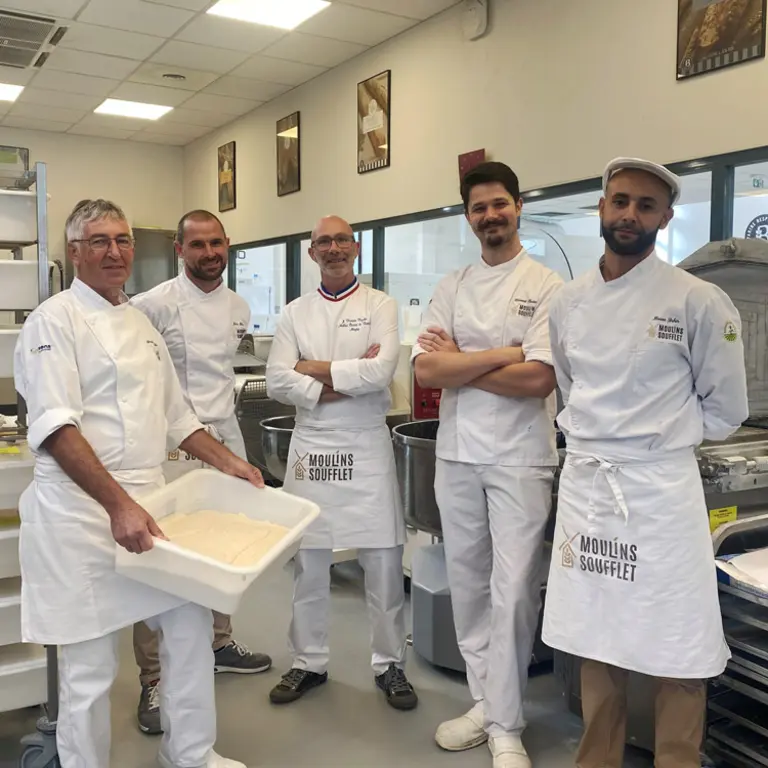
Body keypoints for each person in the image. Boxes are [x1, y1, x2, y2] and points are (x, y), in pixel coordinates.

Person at [14, 199, 264, 768]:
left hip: (150, 500)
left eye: (122, 240)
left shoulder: (142, 324)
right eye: (98, 241)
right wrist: (119, 505)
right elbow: (55, 426)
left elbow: (179, 419)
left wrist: (231, 463)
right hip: (81, 513)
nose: (114, 251)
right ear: (74, 252)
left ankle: (192, 755)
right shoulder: (52, 321)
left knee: (188, 629)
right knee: (90, 668)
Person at [542, 158, 749, 768]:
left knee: (678, 639)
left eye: (646, 206)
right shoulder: (569, 302)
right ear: (602, 208)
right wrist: (609, 445)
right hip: (589, 489)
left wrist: (655, 446)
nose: (630, 213)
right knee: (594, 634)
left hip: (661, 495)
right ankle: (596, 759)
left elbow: (726, 407)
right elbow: (570, 385)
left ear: (665, 218)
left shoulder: (697, 299)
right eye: (621, 201)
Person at [412, 161, 562, 768]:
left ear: (518, 206)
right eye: (479, 208)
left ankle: (506, 723)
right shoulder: (452, 284)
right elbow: (426, 370)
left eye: (500, 204)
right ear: (468, 216)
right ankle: (488, 703)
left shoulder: (550, 286)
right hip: (457, 453)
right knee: (468, 583)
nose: (491, 216)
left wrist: (465, 362)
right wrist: (504, 353)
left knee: (516, 588)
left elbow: (538, 379)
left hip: (521, 457)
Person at [265, 215, 418, 711]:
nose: (333, 248)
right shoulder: (294, 313)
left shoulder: (380, 304)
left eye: (340, 240)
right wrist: (344, 380)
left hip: (366, 447)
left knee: (383, 562)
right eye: (322, 242)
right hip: (312, 448)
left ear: (355, 248)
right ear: (312, 253)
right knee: (309, 564)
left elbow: (382, 371)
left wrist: (311, 371)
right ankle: (308, 661)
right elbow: (275, 382)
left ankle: (389, 663)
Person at [130, 210, 272, 735]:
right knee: (160, 553)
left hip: (223, 435)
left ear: (227, 245)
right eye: (198, 245)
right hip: (168, 443)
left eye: (217, 244)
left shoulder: (239, 306)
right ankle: (153, 676)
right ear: (179, 248)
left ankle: (219, 642)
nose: (209, 253)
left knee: (219, 543)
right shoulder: (149, 306)